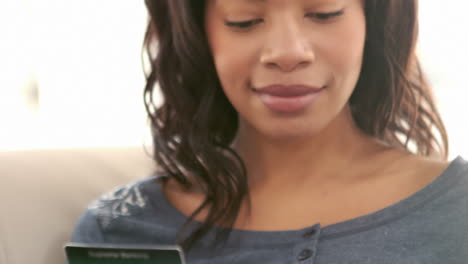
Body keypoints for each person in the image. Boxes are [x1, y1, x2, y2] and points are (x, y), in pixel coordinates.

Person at [71, 0, 468, 262]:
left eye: (325, 12)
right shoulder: (123, 230)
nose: (288, 52)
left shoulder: (457, 210)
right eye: (244, 20)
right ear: (199, 34)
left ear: (374, 20)